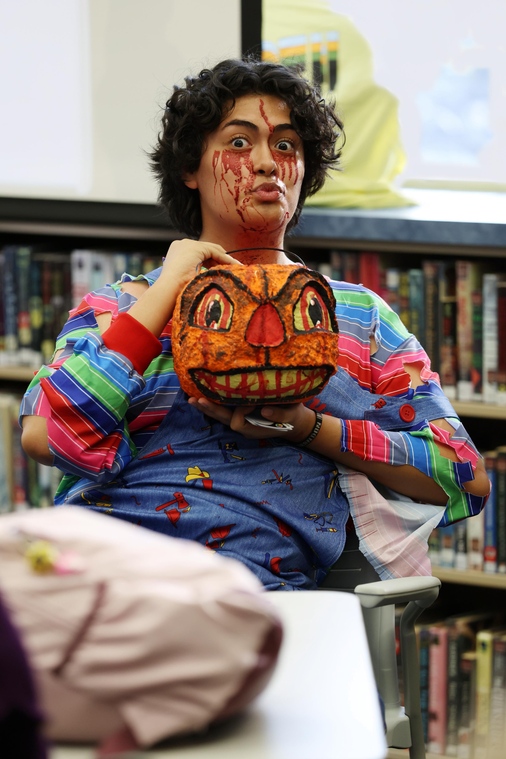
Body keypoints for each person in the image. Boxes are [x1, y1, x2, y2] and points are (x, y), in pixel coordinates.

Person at [20, 57, 489, 590]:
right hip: (100, 571)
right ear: (190, 170)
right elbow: (45, 435)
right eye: (240, 142)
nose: (267, 162)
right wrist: (164, 294)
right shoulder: (122, 306)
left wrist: (307, 428)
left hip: (248, 591)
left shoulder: (356, 317)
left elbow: (463, 475)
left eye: (286, 146)